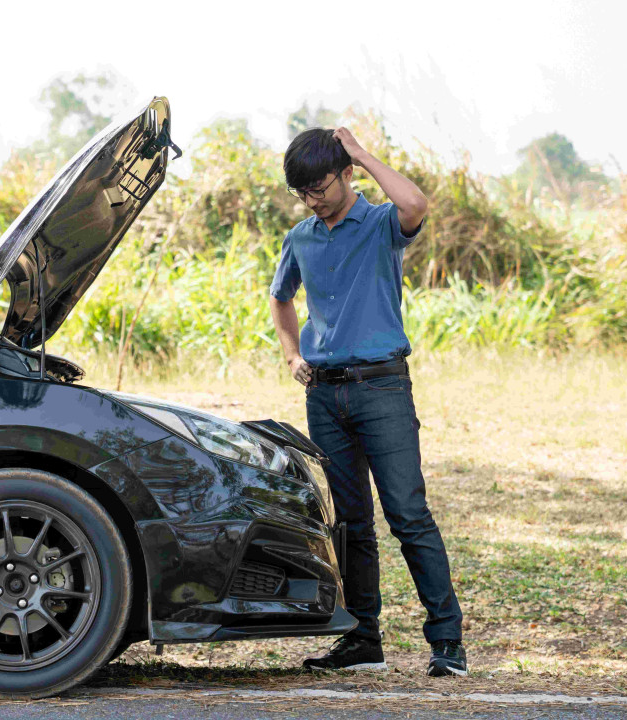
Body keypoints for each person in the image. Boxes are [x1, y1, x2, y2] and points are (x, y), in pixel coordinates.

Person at [268, 127, 467, 677]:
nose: (312, 200)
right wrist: (292, 355)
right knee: (350, 523)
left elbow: (415, 204)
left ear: (346, 174)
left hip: (382, 389)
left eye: (319, 187)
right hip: (324, 395)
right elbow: (281, 298)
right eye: (302, 192)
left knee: (408, 514)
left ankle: (447, 641)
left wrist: (360, 151)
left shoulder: (381, 224)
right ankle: (362, 640)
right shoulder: (300, 238)